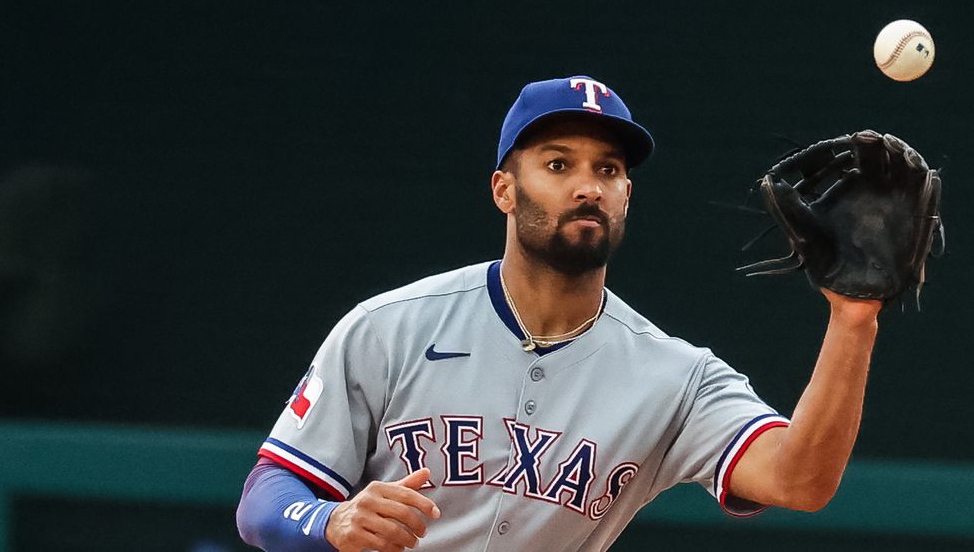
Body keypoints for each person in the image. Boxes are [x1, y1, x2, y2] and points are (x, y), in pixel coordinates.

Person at [235, 75, 881, 551]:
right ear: (504, 189)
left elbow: (803, 479)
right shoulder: (390, 328)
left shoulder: (673, 378)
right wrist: (330, 521)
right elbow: (266, 495)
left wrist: (853, 321)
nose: (587, 186)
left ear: (627, 196)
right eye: (558, 163)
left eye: (608, 169)